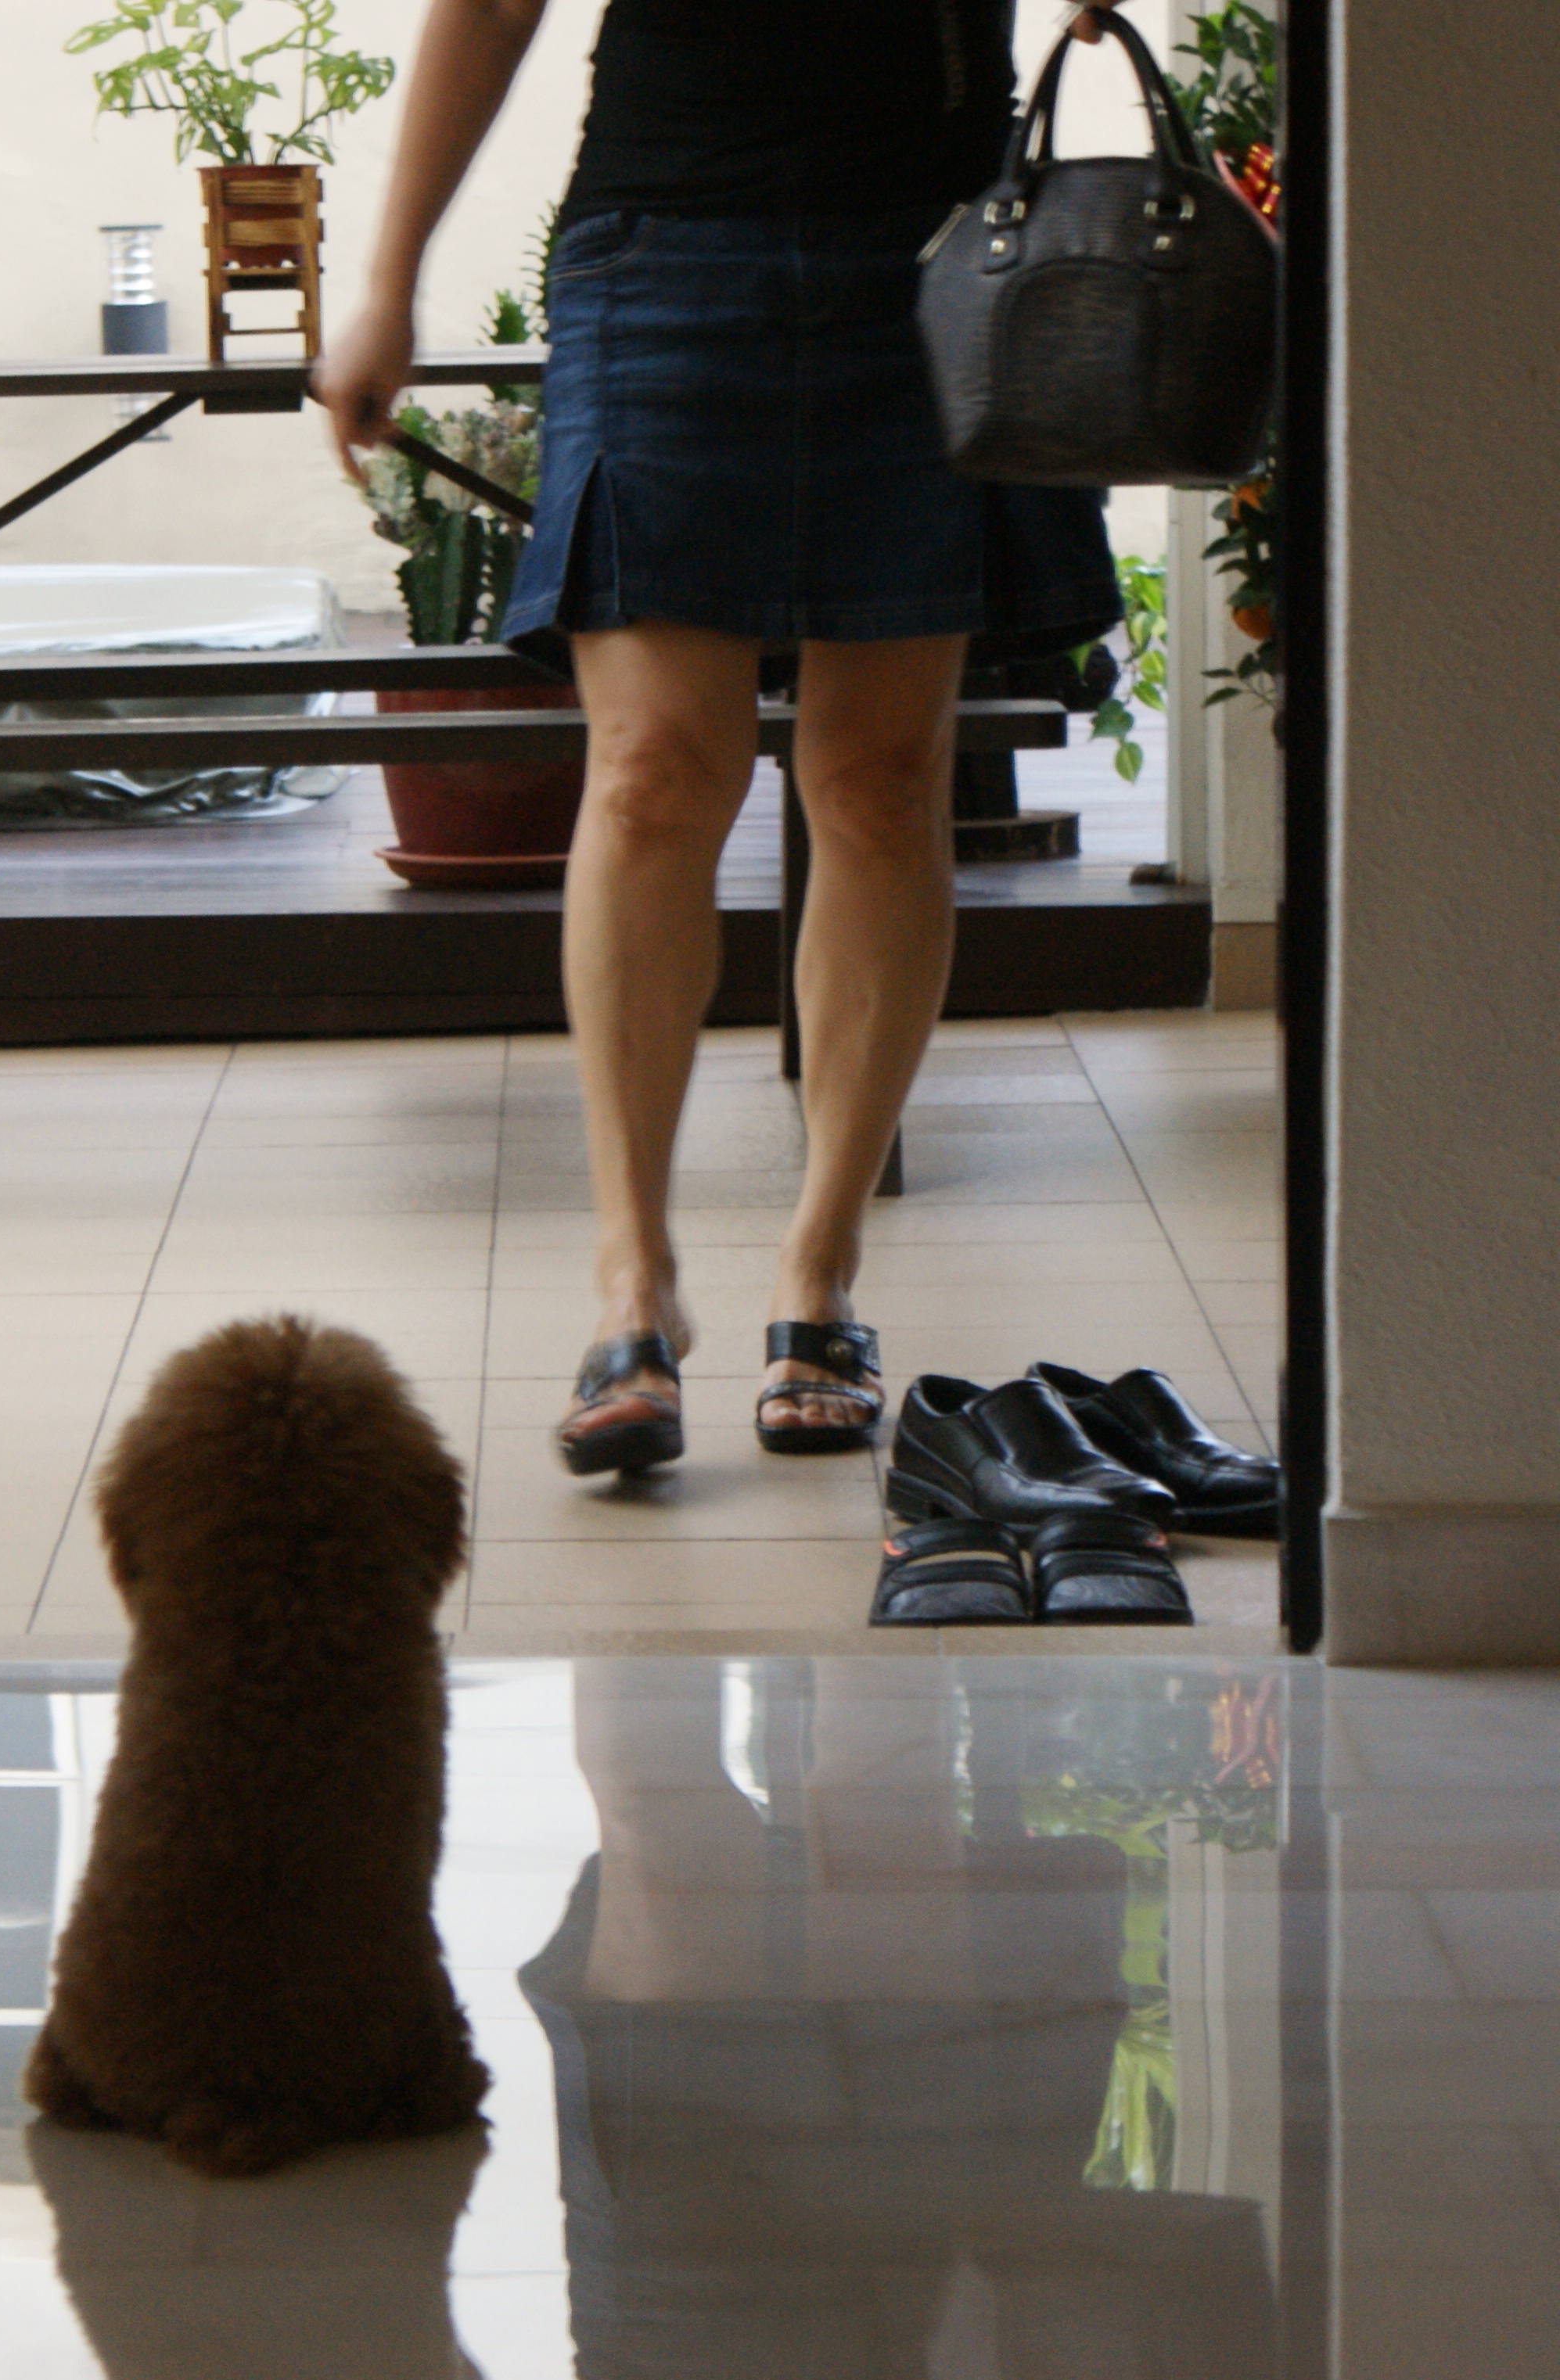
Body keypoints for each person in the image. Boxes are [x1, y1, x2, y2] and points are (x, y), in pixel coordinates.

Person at [315, 2, 1127, 1477]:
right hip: (663, 242)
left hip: (942, 257)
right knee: (648, 776)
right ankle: (633, 1285)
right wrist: (387, 284)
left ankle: (820, 1275)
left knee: (879, 783)